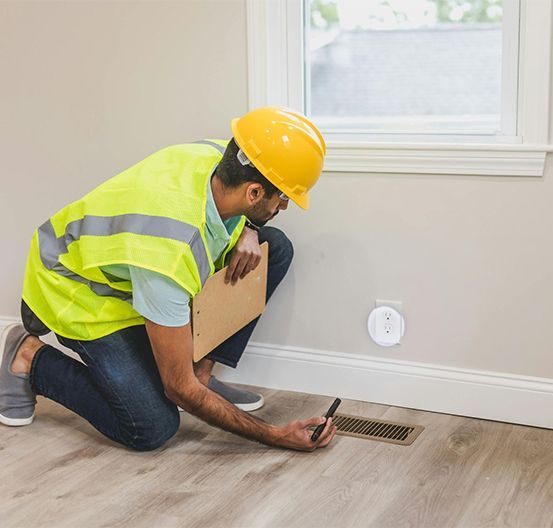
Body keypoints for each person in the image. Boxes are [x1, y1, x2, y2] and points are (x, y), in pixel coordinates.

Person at [0, 106, 337, 451]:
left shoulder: (219, 156)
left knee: (272, 247)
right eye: (282, 196)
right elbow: (178, 389)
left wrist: (249, 229)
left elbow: (249, 199)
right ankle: (29, 357)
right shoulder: (170, 255)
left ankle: (201, 375)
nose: (284, 206)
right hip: (76, 288)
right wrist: (274, 435)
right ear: (253, 193)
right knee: (151, 425)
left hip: (132, 272)